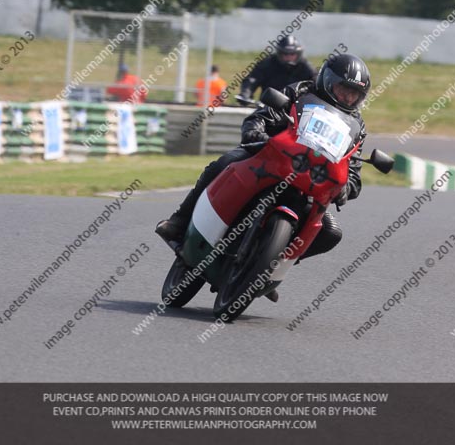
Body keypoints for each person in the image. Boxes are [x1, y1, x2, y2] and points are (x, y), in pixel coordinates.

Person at [156, 53, 370, 296]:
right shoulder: (299, 92)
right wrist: (255, 131)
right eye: (343, 89)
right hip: (271, 158)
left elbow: (353, 168)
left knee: (331, 232)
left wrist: (346, 187)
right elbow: (262, 115)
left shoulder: (357, 127)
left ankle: (268, 267)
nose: (347, 97)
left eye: (354, 94)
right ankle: (179, 221)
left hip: (311, 182)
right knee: (223, 163)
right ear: (327, 80)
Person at [238, 35, 316, 103]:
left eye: (292, 54)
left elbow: (315, 83)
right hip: (267, 108)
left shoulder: (305, 67)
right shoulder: (268, 63)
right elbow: (252, 80)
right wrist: (245, 94)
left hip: (295, 109)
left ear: (298, 54)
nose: (289, 57)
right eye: (285, 54)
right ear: (280, 53)